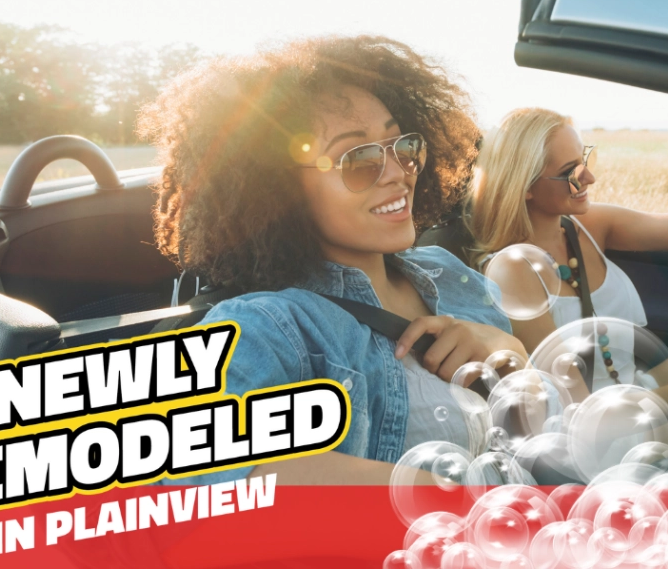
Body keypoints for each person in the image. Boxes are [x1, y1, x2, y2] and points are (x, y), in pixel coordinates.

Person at [136, 35, 527, 485]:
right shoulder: (268, 326)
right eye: (357, 159)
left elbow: (537, 445)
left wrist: (514, 358)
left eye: (403, 146)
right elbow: (199, 472)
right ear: (280, 191)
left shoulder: (450, 273)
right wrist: (441, 495)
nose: (398, 173)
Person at [465, 107, 668, 419]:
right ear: (524, 187)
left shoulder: (586, 226)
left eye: (585, 160)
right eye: (570, 173)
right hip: (608, 425)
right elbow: (579, 416)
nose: (589, 178)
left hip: (640, 386)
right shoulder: (513, 271)